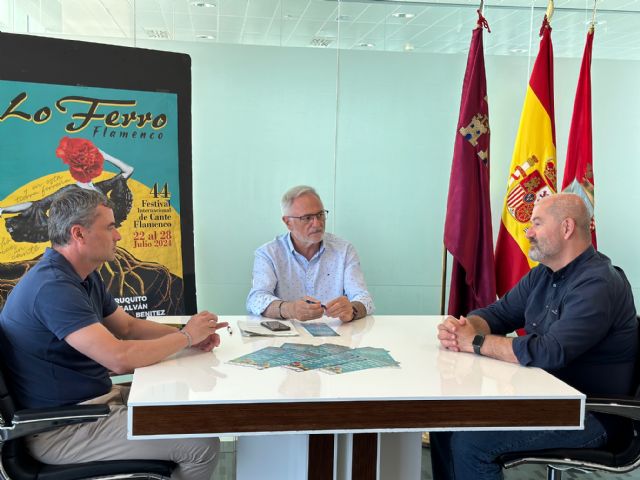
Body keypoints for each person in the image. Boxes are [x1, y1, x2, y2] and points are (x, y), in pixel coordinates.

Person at [0, 188, 227, 480]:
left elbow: (127, 327)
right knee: (201, 446)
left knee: (187, 409)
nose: (118, 235)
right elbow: (119, 358)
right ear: (79, 234)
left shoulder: (82, 274)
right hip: (62, 429)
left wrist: (187, 334)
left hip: (94, 405)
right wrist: (186, 338)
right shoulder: (52, 287)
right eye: (110, 226)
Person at [431, 192, 637, 480]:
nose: (528, 232)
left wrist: (475, 342)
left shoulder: (598, 283)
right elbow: (498, 314)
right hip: (546, 399)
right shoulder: (543, 274)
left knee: (471, 443)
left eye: (537, 224)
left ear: (566, 228)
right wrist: (465, 328)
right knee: (447, 421)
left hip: (588, 414)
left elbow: (549, 351)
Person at [246, 185, 374, 322]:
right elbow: (256, 299)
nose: (317, 223)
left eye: (320, 215)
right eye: (307, 218)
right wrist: (290, 309)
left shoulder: (344, 250)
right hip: (285, 337)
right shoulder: (269, 254)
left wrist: (352, 309)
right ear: (288, 222)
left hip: (336, 335)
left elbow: (364, 298)